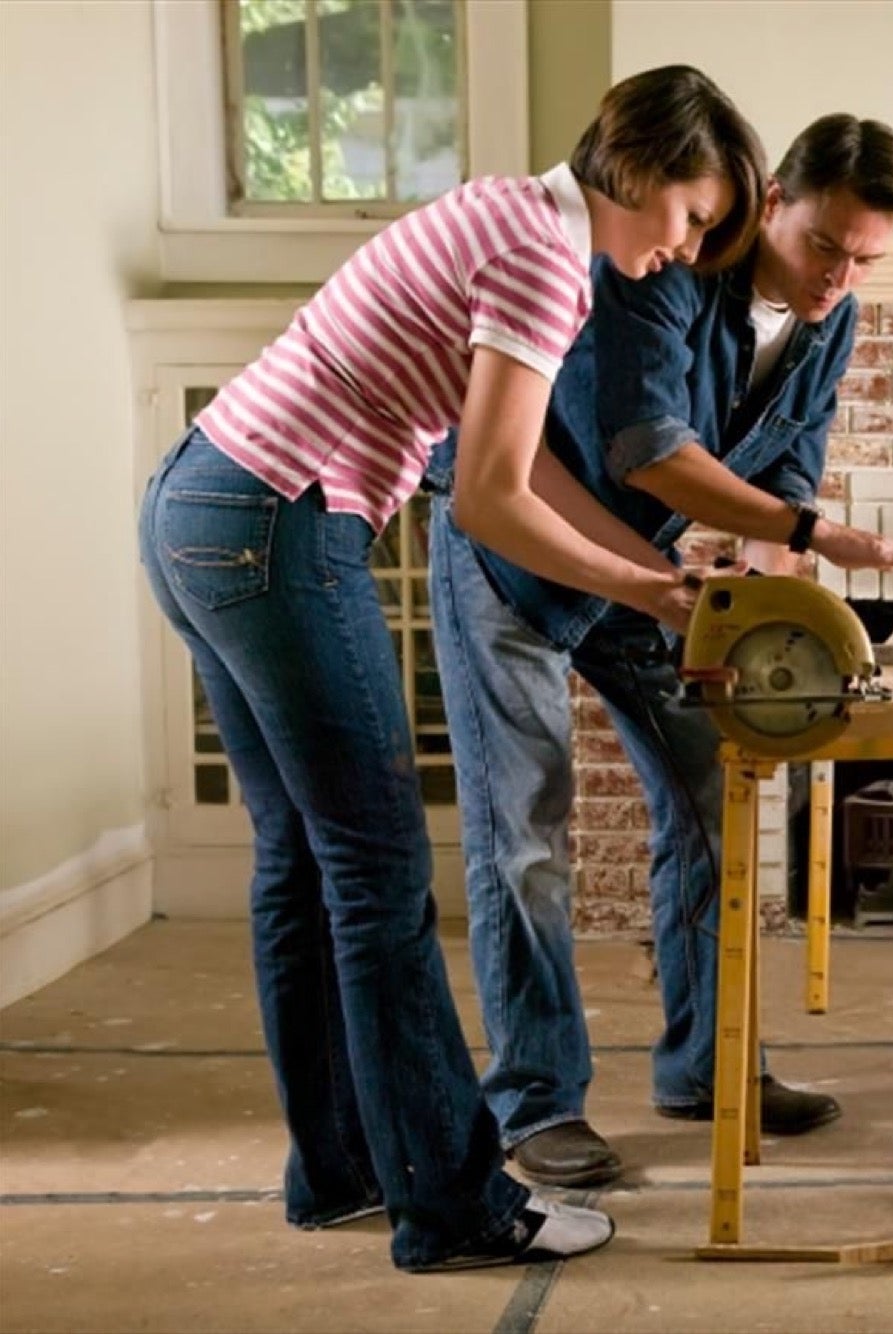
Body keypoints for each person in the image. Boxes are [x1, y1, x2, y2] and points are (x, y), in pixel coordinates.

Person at [135, 66, 764, 1272]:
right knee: (375, 872)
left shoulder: (502, 211)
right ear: (634, 166)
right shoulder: (543, 257)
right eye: (690, 218)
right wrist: (642, 581)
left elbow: (491, 477)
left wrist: (634, 570)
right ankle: (458, 1204)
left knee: (305, 864)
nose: (682, 253)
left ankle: (341, 1171)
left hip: (198, 500)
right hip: (278, 522)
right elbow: (487, 496)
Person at [428, 115, 893, 1188]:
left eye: (864, 260)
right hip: (515, 545)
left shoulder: (827, 322)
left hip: (649, 570)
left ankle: (709, 1068)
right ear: (773, 205)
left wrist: (776, 614)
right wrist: (820, 537)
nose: (835, 278)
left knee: (717, 798)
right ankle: (535, 1106)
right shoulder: (663, 269)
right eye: (823, 247)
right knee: (524, 831)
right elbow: (650, 450)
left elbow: (782, 494)